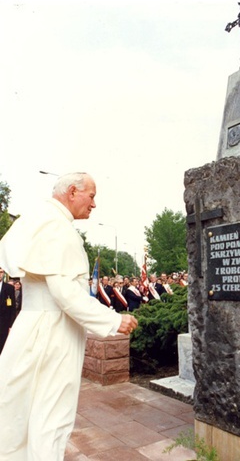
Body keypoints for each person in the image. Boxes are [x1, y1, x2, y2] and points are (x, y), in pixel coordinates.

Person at [0, 172, 138, 460]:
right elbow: (66, 294)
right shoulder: (58, 227)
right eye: (92, 195)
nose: (94, 204)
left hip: (31, 326)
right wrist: (114, 321)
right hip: (55, 332)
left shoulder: (35, 219)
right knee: (52, 417)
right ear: (73, 191)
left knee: (21, 411)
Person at [0, 267, 16, 353]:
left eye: (2, 272)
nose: (0, 274)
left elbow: (12, 307)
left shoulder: (9, 288)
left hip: (4, 321)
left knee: (3, 342)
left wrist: (11, 324)